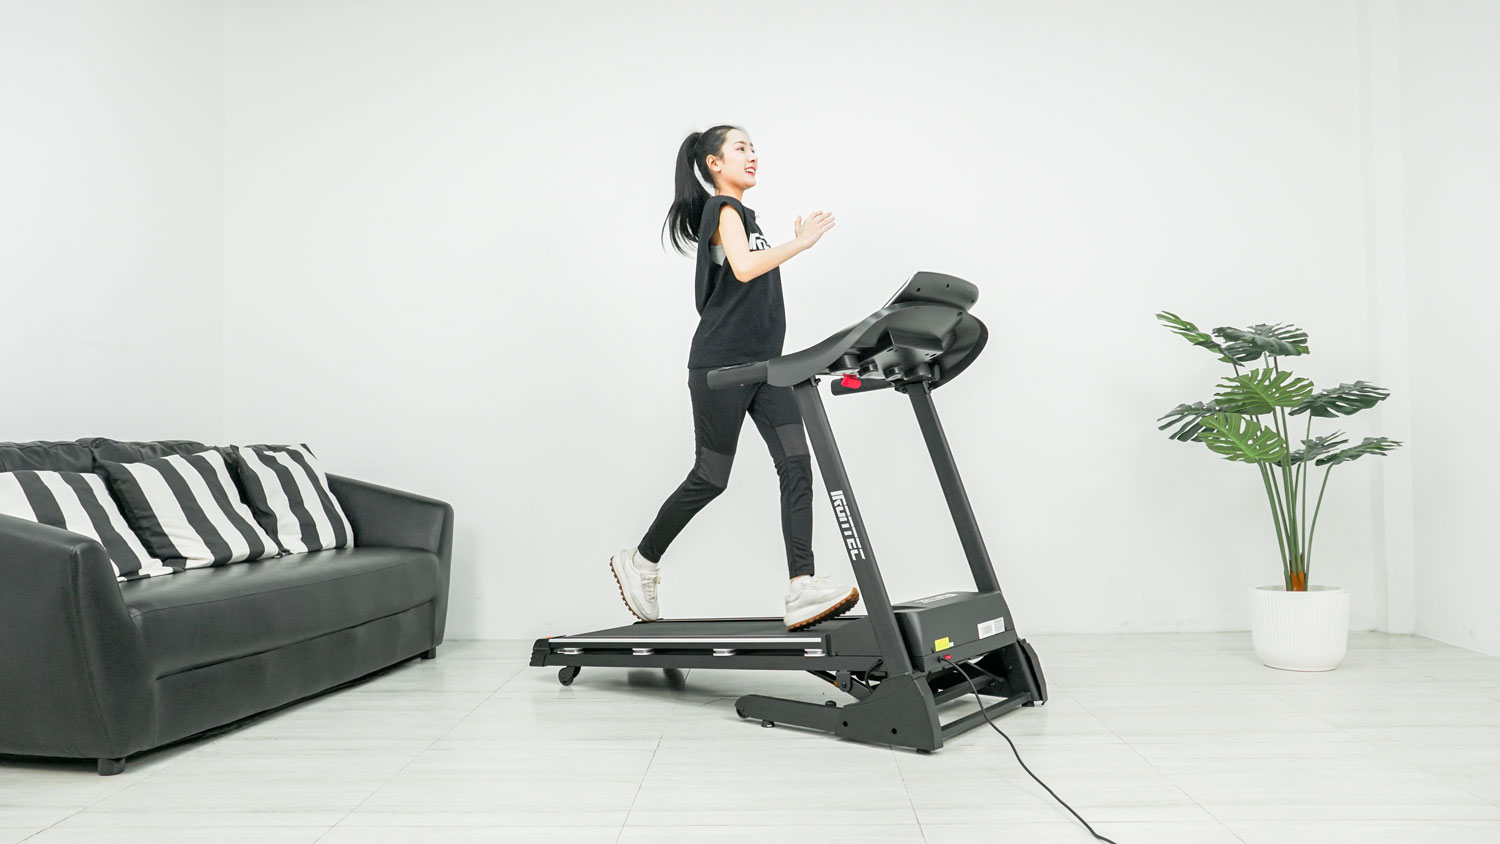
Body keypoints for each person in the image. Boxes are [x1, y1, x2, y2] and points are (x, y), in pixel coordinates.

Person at [610, 125, 861, 631]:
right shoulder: (722, 209)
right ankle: (641, 561)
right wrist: (801, 243)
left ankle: (802, 585)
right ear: (714, 164)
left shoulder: (747, 217)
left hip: (767, 367)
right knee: (711, 477)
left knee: (796, 464)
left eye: (754, 148)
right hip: (721, 367)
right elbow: (744, 269)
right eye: (740, 148)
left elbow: (744, 272)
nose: (752, 155)